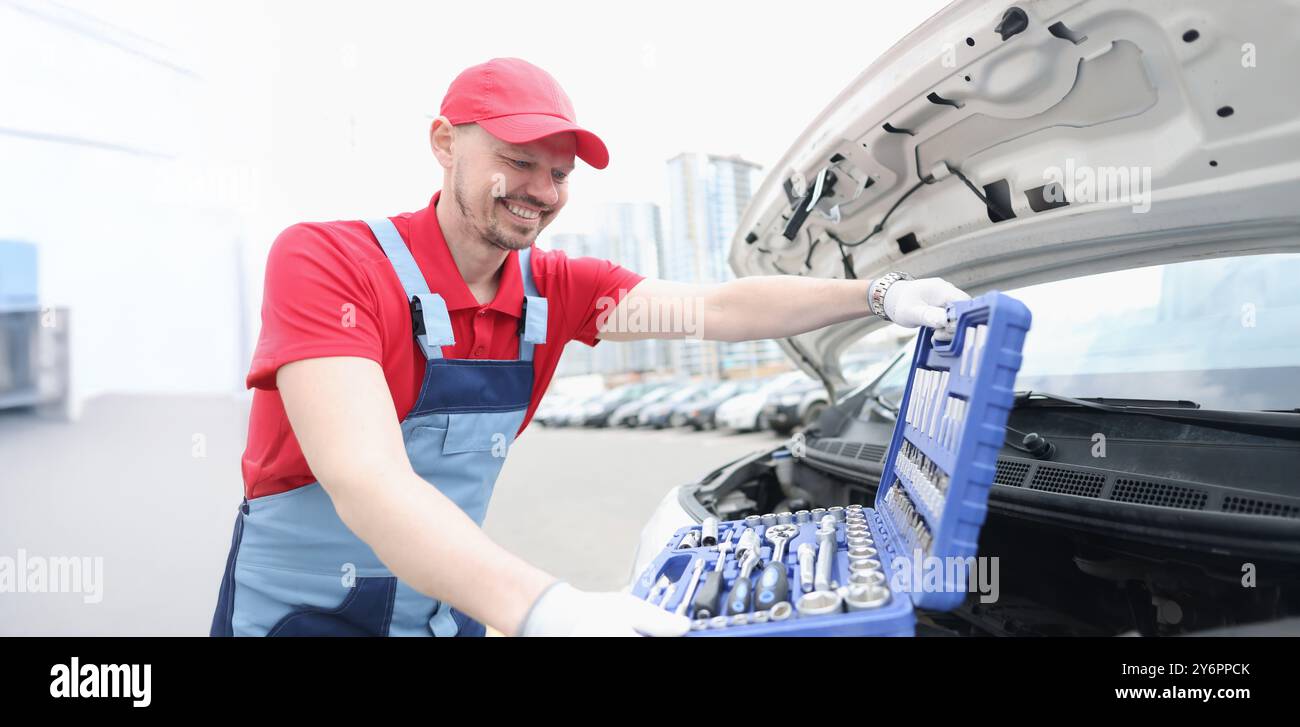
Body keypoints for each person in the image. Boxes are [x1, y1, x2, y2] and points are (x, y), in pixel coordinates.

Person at [210, 57, 968, 637]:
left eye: (560, 173)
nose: (541, 189)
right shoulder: (328, 261)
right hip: (299, 618)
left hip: (448, 606)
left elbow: (719, 306)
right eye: (519, 158)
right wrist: (543, 608)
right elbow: (366, 477)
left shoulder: (559, 290)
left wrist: (879, 294)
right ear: (445, 142)